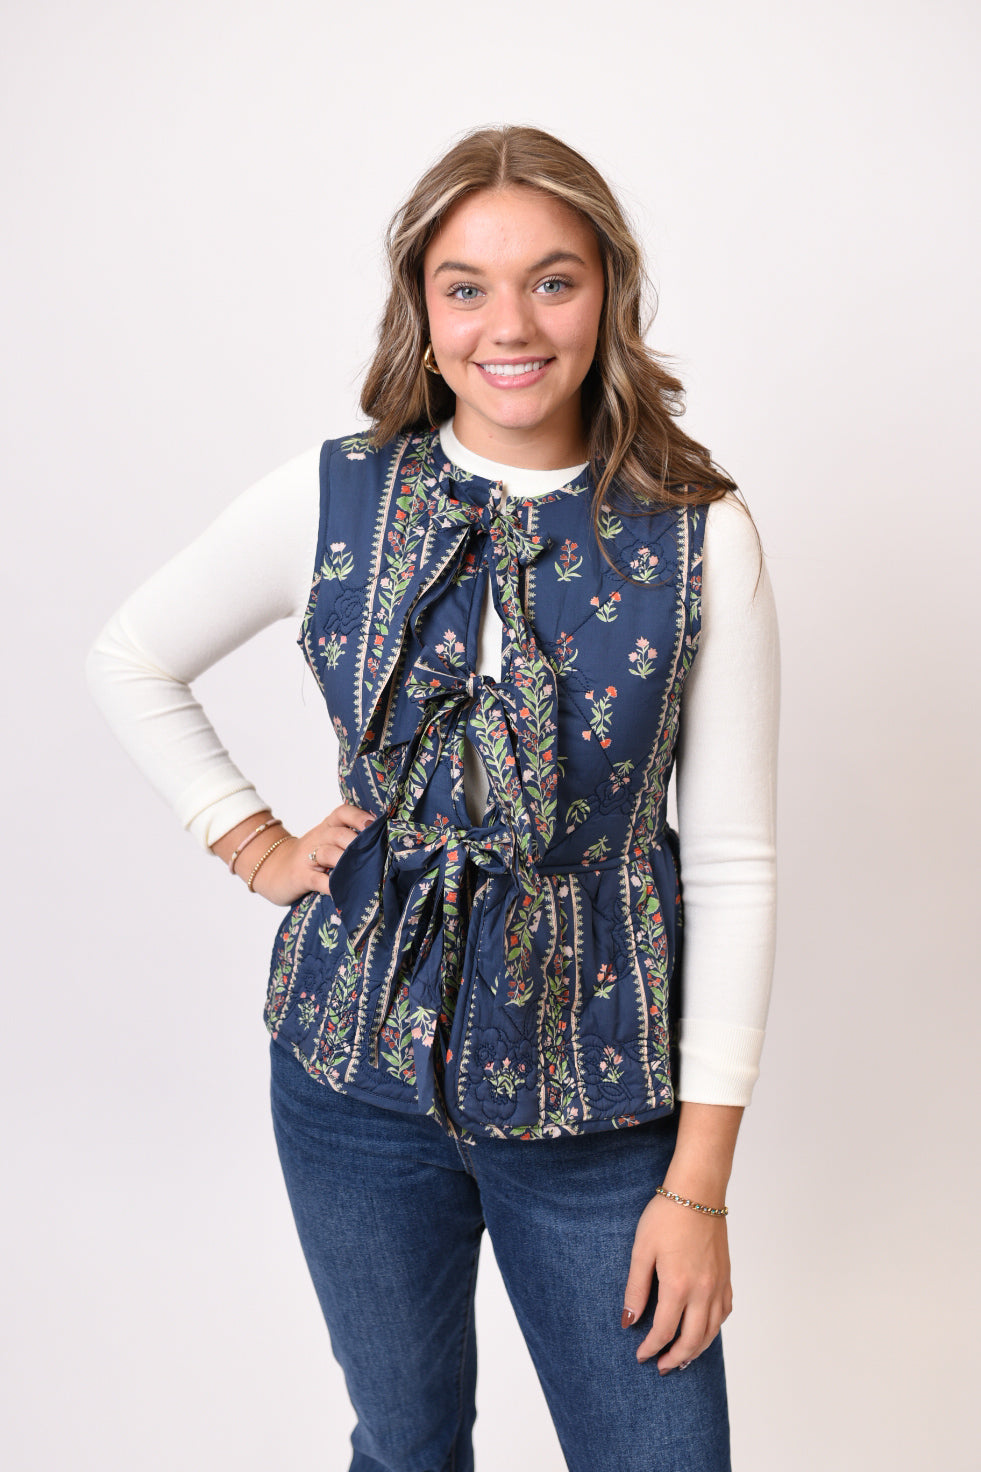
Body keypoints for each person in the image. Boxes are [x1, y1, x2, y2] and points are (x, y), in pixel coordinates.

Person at [88, 125, 779, 1472]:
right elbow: (132, 653)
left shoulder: (699, 532)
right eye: (465, 285)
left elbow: (735, 866)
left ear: (609, 294)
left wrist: (696, 1185)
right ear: (420, 303)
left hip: (601, 1103)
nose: (507, 324)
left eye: (553, 280)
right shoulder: (336, 496)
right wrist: (250, 841)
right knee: (404, 1449)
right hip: (348, 1078)